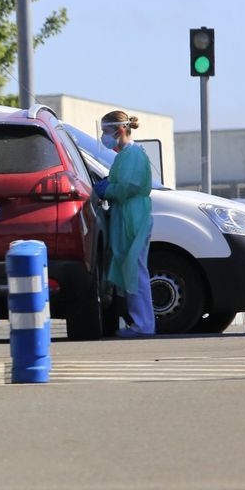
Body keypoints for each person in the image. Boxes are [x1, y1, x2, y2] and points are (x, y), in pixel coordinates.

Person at [93, 111, 154, 337]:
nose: (103, 137)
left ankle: (143, 325)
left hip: (133, 218)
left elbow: (128, 187)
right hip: (130, 216)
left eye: (106, 132)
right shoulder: (127, 156)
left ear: (119, 130)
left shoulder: (132, 155)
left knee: (135, 270)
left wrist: (106, 189)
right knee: (133, 269)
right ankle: (140, 323)